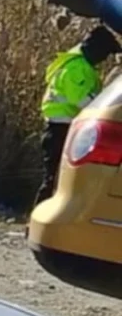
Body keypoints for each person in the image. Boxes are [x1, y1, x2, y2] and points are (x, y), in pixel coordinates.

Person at [40, 23, 120, 198]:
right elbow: (87, 103)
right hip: (61, 128)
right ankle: (39, 221)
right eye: (105, 54)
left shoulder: (80, 66)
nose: (104, 59)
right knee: (54, 180)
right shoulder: (78, 68)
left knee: (57, 179)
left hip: (63, 127)